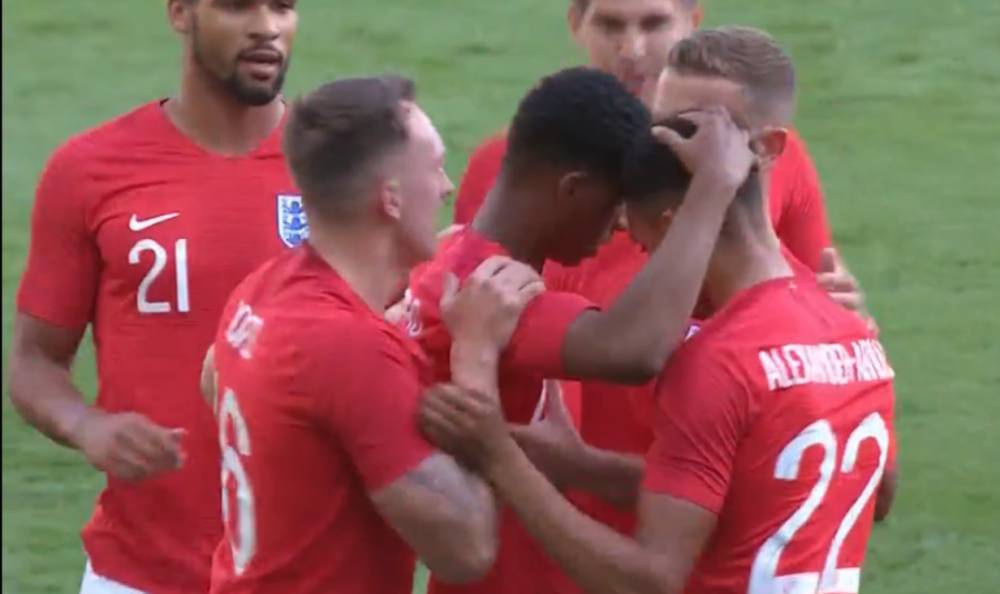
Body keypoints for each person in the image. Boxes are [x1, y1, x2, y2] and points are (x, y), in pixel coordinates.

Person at [421, 113, 898, 594]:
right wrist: (583, 466)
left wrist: (501, 458)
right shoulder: (853, 332)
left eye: (647, 249)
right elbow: (862, 492)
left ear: (677, 227)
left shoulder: (720, 361)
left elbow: (649, 581)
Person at [400, 67, 755, 594]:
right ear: (573, 190)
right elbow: (637, 349)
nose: (620, 224)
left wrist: (583, 466)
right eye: (615, 204)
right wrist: (711, 191)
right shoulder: (488, 293)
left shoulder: (459, 259)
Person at [205, 75, 556, 594]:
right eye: (435, 167)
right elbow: (468, 549)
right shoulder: (351, 346)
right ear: (390, 198)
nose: (447, 187)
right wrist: (475, 352)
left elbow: (213, 378)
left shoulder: (263, 288)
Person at [8, 1, 303, 591]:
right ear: (180, 13)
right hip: (137, 576)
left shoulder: (340, 171)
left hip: (308, 573)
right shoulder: (90, 169)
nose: (266, 26)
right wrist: (84, 424)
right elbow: (35, 359)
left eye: (283, 6)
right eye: (237, 6)